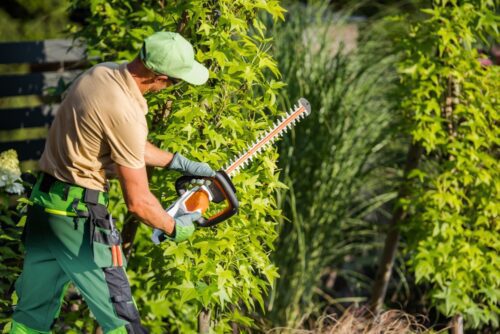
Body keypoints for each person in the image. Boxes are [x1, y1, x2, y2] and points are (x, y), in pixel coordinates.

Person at [10, 32, 214, 334]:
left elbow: (122, 143)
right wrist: (175, 228)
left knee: (30, 319)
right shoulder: (126, 111)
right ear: (157, 77)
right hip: (78, 224)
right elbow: (139, 202)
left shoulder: (101, 74)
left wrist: (177, 162)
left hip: (44, 208)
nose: (172, 88)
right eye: (174, 82)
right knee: (122, 324)